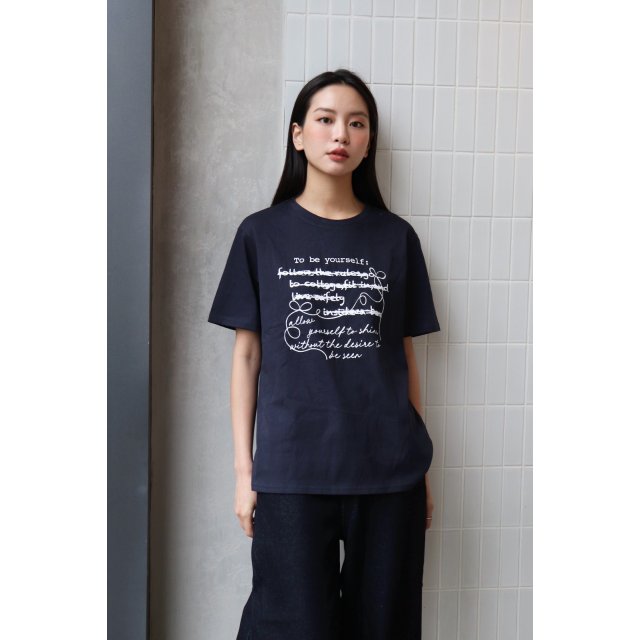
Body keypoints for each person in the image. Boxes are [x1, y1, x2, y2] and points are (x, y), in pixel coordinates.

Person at [208, 68, 440, 640]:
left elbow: (403, 357)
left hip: (388, 471)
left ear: (368, 142)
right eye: (326, 119)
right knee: (289, 627)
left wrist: (420, 469)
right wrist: (245, 474)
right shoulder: (260, 234)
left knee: (384, 628)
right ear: (298, 135)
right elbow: (246, 358)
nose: (341, 134)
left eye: (356, 123)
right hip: (292, 471)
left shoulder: (396, 238)